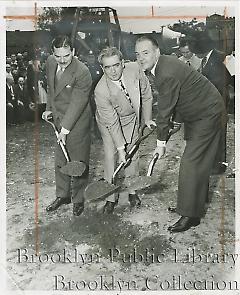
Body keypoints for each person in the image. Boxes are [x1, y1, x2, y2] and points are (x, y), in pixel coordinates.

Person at [135, 36, 227, 233]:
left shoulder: (165, 72)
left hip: (208, 113)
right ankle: (191, 205)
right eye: (137, 54)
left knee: (190, 162)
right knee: (197, 162)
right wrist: (175, 123)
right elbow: (178, 96)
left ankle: (190, 215)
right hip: (196, 112)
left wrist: (160, 142)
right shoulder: (162, 65)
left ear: (156, 52)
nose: (141, 58)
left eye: (145, 52)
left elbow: (164, 110)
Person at [94, 47, 155, 214]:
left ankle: (132, 191)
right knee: (111, 157)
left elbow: (146, 93)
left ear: (123, 63)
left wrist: (148, 119)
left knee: (132, 155)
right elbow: (113, 123)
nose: (113, 71)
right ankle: (110, 198)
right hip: (109, 122)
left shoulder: (135, 69)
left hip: (131, 118)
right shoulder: (101, 90)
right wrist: (120, 148)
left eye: (116, 65)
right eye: (107, 67)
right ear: (102, 68)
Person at [42, 35, 92, 216]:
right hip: (58, 117)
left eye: (66, 56)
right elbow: (51, 89)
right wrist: (49, 109)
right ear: (52, 54)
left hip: (77, 121)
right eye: (58, 56)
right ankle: (62, 195)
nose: (62, 60)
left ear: (73, 52)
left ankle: (78, 199)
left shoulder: (82, 71)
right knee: (60, 160)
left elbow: (77, 103)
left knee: (78, 162)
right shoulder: (50, 62)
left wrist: (64, 130)